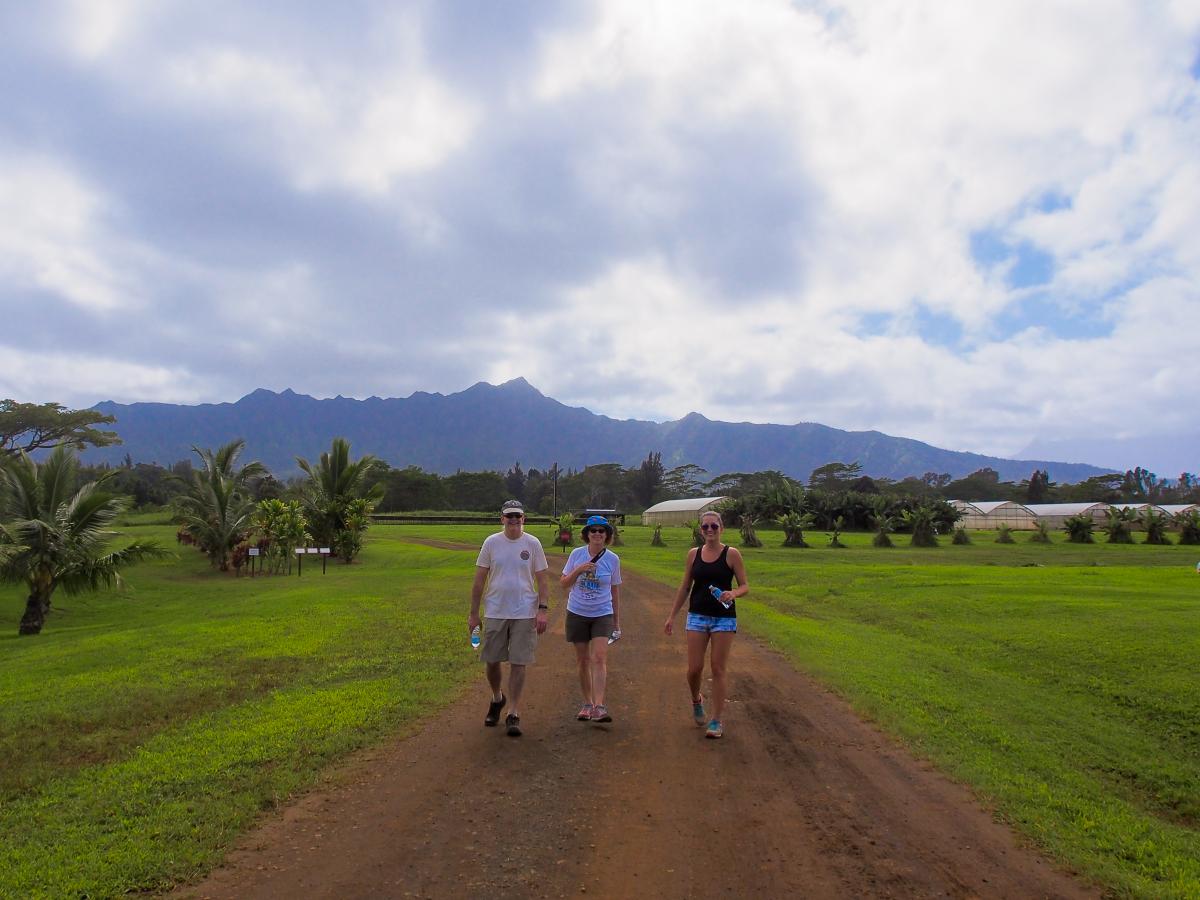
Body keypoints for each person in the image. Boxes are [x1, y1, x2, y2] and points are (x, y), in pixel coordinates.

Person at [663, 510, 749, 739]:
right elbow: (685, 587)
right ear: (700, 530)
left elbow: (745, 586)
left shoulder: (732, 554)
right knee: (694, 669)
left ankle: (716, 720)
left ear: (722, 528)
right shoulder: (693, 554)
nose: (710, 530)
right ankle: (696, 699)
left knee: (718, 669)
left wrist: (733, 593)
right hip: (697, 616)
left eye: (714, 526)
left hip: (724, 617)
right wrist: (672, 616)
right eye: (705, 527)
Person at [469, 500, 550, 737]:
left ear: (524, 518)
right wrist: (474, 614)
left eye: (518, 516)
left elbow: (543, 579)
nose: (514, 520)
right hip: (496, 609)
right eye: (509, 517)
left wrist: (542, 609)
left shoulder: (532, 543)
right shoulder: (492, 543)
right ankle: (497, 698)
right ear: (502, 519)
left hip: (524, 611)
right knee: (492, 660)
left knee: (519, 661)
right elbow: (479, 580)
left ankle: (513, 711)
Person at [560, 515, 622, 723]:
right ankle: (587, 703)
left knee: (599, 657)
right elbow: (563, 583)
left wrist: (616, 621)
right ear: (586, 534)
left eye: (601, 531)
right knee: (583, 660)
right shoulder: (577, 554)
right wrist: (579, 569)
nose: (597, 533)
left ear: (607, 535)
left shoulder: (613, 559)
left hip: (602, 613)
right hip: (577, 612)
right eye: (593, 530)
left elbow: (615, 591)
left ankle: (599, 705)